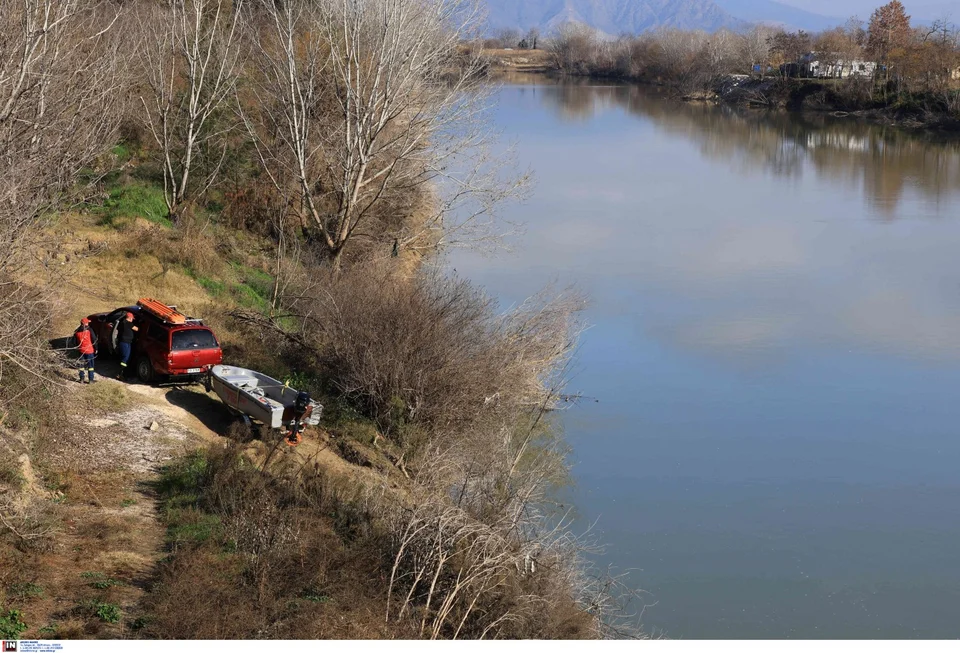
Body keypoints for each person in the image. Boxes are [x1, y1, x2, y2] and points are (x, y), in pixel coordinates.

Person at [73, 317, 98, 384]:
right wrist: (96, 348)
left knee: (81, 365)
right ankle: (91, 380)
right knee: (91, 366)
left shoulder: (76, 331)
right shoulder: (89, 330)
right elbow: (94, 339)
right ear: (85, 323)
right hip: (89, 350)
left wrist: (78, 348)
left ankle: (81, 379)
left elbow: (74, 342)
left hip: (81, 351)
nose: (88, 323)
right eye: (87, 322)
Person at [117, 311, 138, 380]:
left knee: (125, 357)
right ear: (129, 318)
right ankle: (120, 373)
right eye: (132, 318)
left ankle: (123, 373)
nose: (132, 320)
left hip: (124, 342)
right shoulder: (128, 323)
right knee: (125, 358)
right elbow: (136, 329)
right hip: (125, 342)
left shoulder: (122, 323)